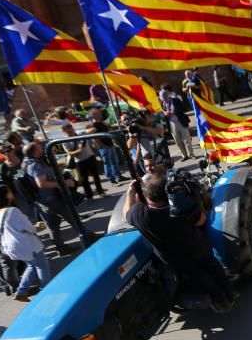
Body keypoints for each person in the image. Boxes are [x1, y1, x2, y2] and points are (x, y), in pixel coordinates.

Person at [124, 175, 236, 312]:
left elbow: (126, 213)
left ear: (146, 196)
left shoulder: (140, 215)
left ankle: (221, 301)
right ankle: (230, 292)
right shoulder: (180, 207)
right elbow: (201, 221)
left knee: (199, 276)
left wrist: (131, 192)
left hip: (177, 259)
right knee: (213, 266)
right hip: (198, 246)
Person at [22, 140, 84, 254]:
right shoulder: (35, 165)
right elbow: (41, 183)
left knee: (53, 224)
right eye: (39, 147)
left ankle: (61, 248)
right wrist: (64, 183)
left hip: (43, 200)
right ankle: (87, 237)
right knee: (72, 216)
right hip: (50, 199)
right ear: (35, 152)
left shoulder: (27, 162)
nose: (41, 148)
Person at [0, 184, 50, 302]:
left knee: (32, 265)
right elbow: (29, 228)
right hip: (25, 244)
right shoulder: (13, 211)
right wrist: (35, 227)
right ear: (6, 195)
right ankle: (47, 291)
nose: (12, 193)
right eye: (9, 191)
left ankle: (21, 291)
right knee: (42, 266)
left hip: (10, 245)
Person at [62, 123, 105, 199]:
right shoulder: (65, 141)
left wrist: (87, 131)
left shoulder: (80, 133)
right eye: (68, 131)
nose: (71, 131)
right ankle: (89, 196)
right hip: (80, 161)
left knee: (96, 176)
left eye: (71, 129)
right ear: (64, 132)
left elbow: (94, 130)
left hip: (90, 157)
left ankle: (100, 192)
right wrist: (79, 150)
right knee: (84, 179)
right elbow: (69, 153)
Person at [88, 107, 123, 183]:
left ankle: (118, 176)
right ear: (93, 115)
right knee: (107, 163)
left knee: (114, 161)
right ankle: (111, 179)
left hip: (109, 144)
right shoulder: (93, 125)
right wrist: (102, 145)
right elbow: (94, 138)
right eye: (97, 113)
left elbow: (108, 130)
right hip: (103, 147)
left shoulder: (102, 123)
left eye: (99, 113)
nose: (100, 114)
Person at [159, 85, 194, 161]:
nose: (165, 101)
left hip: (180, 121)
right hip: (171, 123)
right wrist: (165, 113)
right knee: (177, 140)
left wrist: (174, 112)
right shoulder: (162, 104)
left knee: (186, 139)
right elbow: (161, 113)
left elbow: (184, 108)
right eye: (163, 99)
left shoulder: (175, 100)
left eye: (166, 99)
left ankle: (191, 154)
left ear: (168, 96)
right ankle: (184, 155)